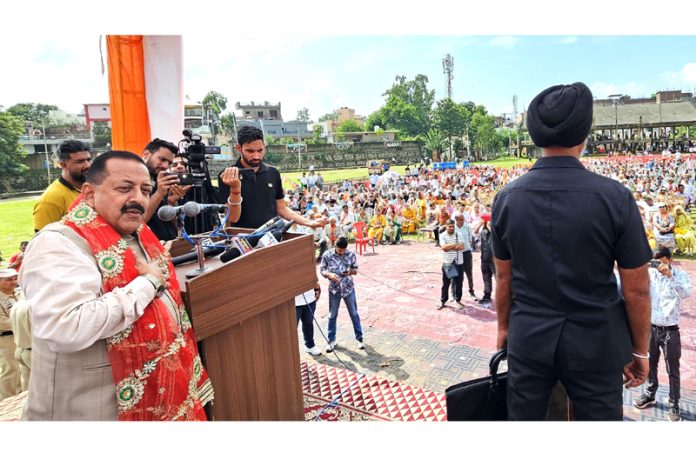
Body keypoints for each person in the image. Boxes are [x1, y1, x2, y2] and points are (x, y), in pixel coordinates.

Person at [491, 82, 652, 421]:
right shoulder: (615, 198)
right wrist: (639, 349)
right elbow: (636, 290)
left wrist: (505, 332)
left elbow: (503, 279)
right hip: (596, 343)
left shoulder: (506, 199)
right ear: (585, 133)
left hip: (529, 339)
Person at [18, 150, 213, 420]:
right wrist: (148, 283)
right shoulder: (58, 244)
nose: (138, 198)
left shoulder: (137, 234)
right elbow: (67, 327)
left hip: (157, 399)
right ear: (88, 194)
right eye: (124, 188)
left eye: (146, 190)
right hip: (91, 412)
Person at [217, 126, 325, 230]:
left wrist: (308, 222)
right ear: (239, 148)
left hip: (271, 236)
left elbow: (281, 208)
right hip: (242, 238)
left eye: (260, 150)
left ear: (264, 146)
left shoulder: (272, 172)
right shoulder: (228, 175)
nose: (256, 156)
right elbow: (232, 218)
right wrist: (235, 190)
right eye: (250, 151)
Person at [633, 247, 691, 422]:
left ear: (670, 260)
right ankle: (650, 394)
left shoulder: (679, 275)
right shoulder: (650, 274)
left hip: (670, 330)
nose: (658, 265)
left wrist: (670, 276)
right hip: (651, 327)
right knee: (651, 364)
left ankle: (674, 403)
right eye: (655, 261)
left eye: (661, 261)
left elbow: (686, 294)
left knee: (672, 369)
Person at [33, 139, 92, 232]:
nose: (88, 165)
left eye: (88, 160)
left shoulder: (95, 187)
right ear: (63, 165)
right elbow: (44, 240)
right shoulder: (50, 199)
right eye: (80, 161)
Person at [320, 237, 364, 352]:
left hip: (348, 288)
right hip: (334, 290)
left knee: (354, 313)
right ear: (335, 246)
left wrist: (350, 272)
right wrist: (329, 275)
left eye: (344, 250)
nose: (342, 253)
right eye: (340, 251)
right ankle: (331, 340)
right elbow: (322, 270)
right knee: (332, 315)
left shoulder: (351, 254)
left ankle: (359, 339)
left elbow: (355, 270)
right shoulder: (327, 255)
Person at [141, 139, 185, 241]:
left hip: (171, 245)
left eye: (169, 163)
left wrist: (171, 203)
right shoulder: (132, 180)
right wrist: (159, 194)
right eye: (162, 159)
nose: (165, 166)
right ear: (147, 154)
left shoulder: (161, 180)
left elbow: (174, 224)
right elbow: (139, 222)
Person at [0, 269, 21, 401]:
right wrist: (25, 323)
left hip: (23, 336)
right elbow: (3, 323)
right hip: (6, 339)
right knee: (10, 369)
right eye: (8, 279)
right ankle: (7, 401)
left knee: (22, 368)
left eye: (14, 278)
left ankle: (19, 397)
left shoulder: (19, 294)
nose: (13, 281)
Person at [438, 219, 464, 310]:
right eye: (450, 226)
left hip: (459, 262)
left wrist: (450, 246)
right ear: (446, 226)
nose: (452, 228)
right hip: (448, 262)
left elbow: (461, 246)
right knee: (446, 283)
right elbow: (444, 248)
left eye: (453, 226)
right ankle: (443, 300)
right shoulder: (442, 235)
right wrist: (455, 244)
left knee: (459, 283)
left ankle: (458, 300)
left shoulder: (458, 234)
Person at [9, 286, 31, 392]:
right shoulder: (35, 307)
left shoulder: (17, 305)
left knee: (27, 389)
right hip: (34, 352)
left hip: (20, 349)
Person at [453, 212, 476, 300]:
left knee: (469, 274)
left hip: (467, 253)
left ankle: (471, 291)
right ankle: (453, 293)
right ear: (456, 220)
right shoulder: (453, 228)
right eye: (461, 219)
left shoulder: (468, 227)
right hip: (457, 254)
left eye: (463, 219)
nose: (463, 221)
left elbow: (470, 240)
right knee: (455, 274)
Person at [295, 283, 322, 356]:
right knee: (292, 329)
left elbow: (313, 277)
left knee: (308, 323)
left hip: (310, 299)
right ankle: (292, 351)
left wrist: (317, 289)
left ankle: (310, 346)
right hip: (294, 302)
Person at [474, 214, 495, 307]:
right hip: (484, 257)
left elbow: (496, 236)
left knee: (499, 279)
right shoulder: (483, 228)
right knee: (486, 278)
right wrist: (480, 224)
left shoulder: (494, 228)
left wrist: (490, 225)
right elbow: (474, 232)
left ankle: (507, 297)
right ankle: (487, 295)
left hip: (493, 259)